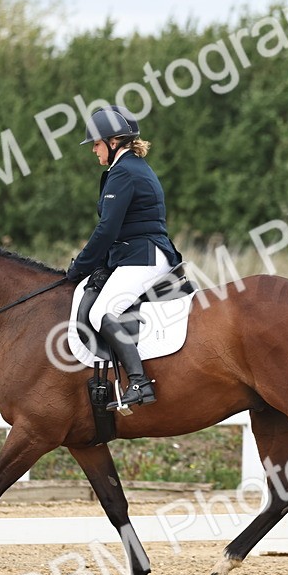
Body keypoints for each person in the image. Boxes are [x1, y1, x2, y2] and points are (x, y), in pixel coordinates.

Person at [66, 105, 182, 409]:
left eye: (96, 144)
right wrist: (102, 265)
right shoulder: (128, 169)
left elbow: (106, 230)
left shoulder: (125, 172)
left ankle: (140, 382)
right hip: (135, 253)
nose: (93, 150)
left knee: (102, 311)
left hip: (144, 255)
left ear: (113, 141)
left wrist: (81, 265)